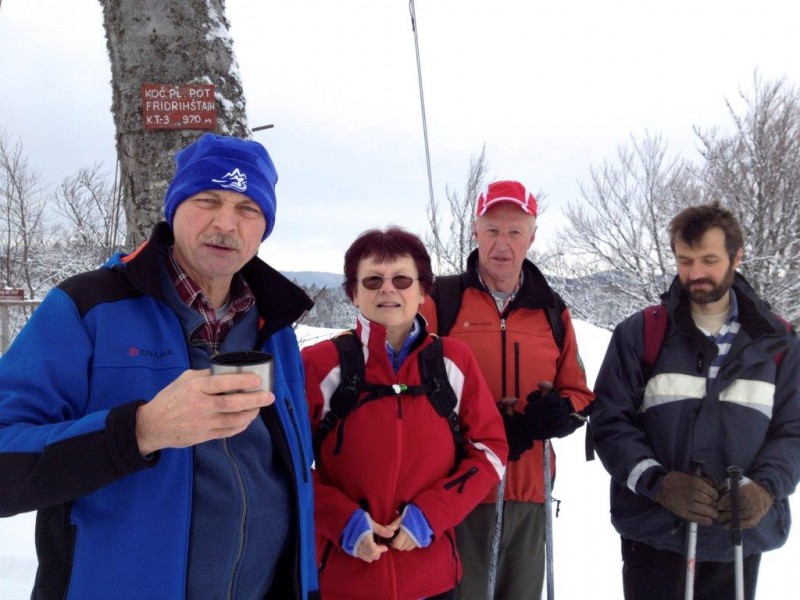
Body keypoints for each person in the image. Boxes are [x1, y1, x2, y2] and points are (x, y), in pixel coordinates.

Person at [0, 134, 319, 599]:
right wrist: (140, 430)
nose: (226, 223)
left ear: (264, 227)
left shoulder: (275, 325)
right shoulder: (88, 308)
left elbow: (290, 475)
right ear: (174, 208)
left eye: (248, 208)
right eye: (207, 200)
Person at [590, 202, 800, 600]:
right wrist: (658, 483)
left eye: (709, 260)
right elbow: (609, 423)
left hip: (735, 538)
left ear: (737, 257)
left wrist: (764, 489)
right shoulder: (642, 333)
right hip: (655, 534)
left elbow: (793, 430)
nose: (696, 272)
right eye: (685, 261)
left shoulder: (777, 343)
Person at [301, 227, 508, 600]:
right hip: (343, 579)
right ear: (353, 292)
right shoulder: (319, 365)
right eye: (373, 280)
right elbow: (284, 463)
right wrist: (343, 521)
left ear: (422, 290)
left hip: (433, 579)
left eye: (401, 279)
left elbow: (490, 450)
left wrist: (431, 515)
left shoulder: (452, 362)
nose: (388, 289)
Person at [419, 180, 595, 600]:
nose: (502, 243)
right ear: (475, 232)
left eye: (515, 231)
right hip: (458, 489)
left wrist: (558, 413)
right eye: (492, 230)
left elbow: (579, 394)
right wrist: (484, 428)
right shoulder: (442, 299)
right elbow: (413, 386)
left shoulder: (552, 310)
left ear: (531, 237)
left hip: (530, 491)